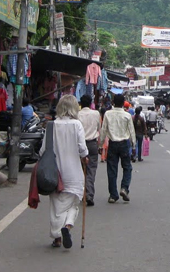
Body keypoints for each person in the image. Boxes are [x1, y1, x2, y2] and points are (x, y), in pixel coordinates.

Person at [41, 95, 89, 248]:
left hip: (54, 173)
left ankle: (57, 237)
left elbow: (43, 150)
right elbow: (82, 148)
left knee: (56, 206)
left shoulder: (51, 125)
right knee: (74, 203)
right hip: (74, 172)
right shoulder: (77, 125)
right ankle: (67, 226)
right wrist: (85, 157)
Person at [100, 94, 136, 203]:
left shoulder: (107, 114)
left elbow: (103, 130)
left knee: (112, 170)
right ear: (123, 103)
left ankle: (113, 195)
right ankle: (124, 188)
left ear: (113, 102)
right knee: (127, 168)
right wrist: (134, 145)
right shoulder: (127, 115)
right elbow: (131, 131)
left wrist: (101, 145)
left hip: (113, 144)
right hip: (124, 144)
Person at [78, 95, 101, 206]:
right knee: (91, 170)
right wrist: (100, 145)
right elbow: (99, 128)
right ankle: (89, 194)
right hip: (92, 144)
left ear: (80, 103)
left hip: (80, 144)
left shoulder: (77, 115)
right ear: (91, 103)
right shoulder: (96, 113)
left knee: (80, 170)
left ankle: (81, 194)